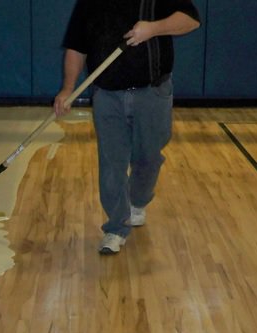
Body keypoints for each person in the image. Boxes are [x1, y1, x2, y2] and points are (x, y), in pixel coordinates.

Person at [54, 0, 201, 255]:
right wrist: (68, 89)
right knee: (112, 164)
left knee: (149, 158)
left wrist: (153, 28)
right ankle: (115, 228)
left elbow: (190, 20)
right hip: (107, 96)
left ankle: (138, 200)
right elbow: (76, 48)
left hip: (152, 92)